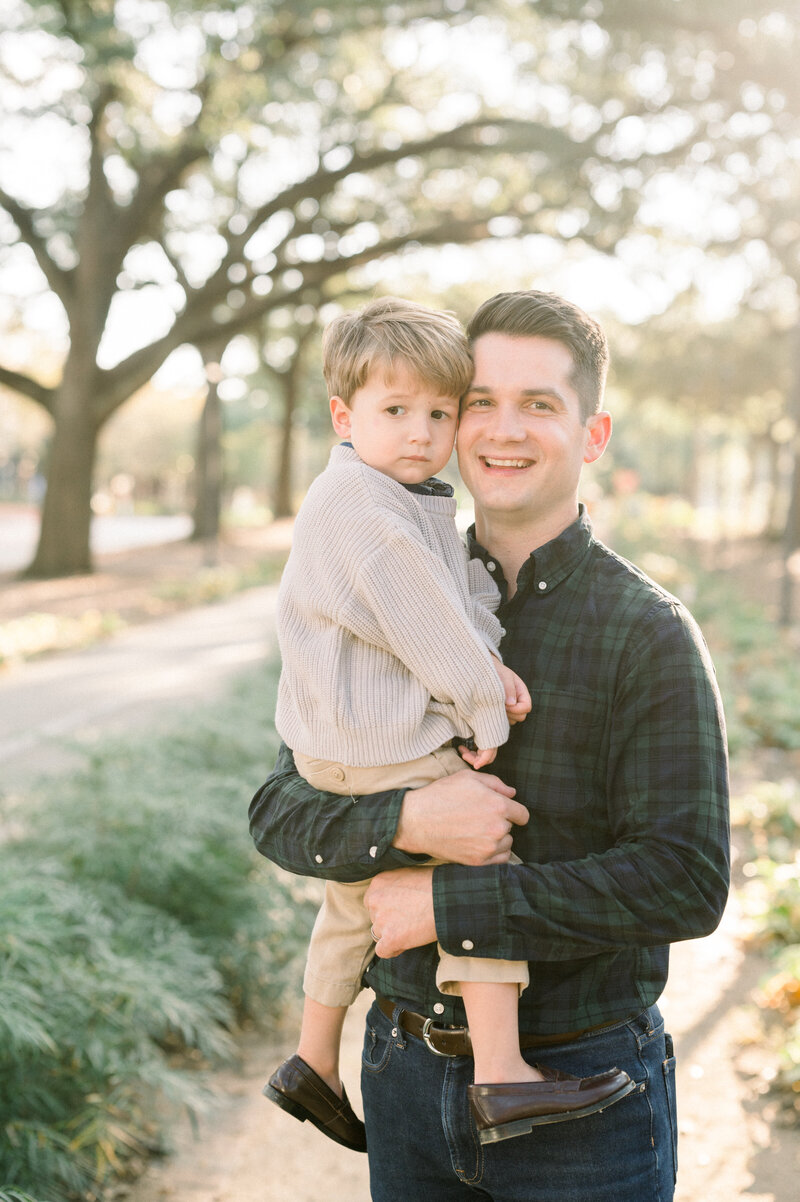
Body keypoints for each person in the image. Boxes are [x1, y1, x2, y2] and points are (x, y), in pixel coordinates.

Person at [249, 289, 730, 1202]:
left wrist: (453, 903)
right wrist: (409, 817)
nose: (501, 430)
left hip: (580, 1106)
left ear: (592, 434)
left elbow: (686, 880)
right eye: (479, 402)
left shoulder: (647, 631)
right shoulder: (384, 579)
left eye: (539, 404)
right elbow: (280, 810)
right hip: (399, 1077)